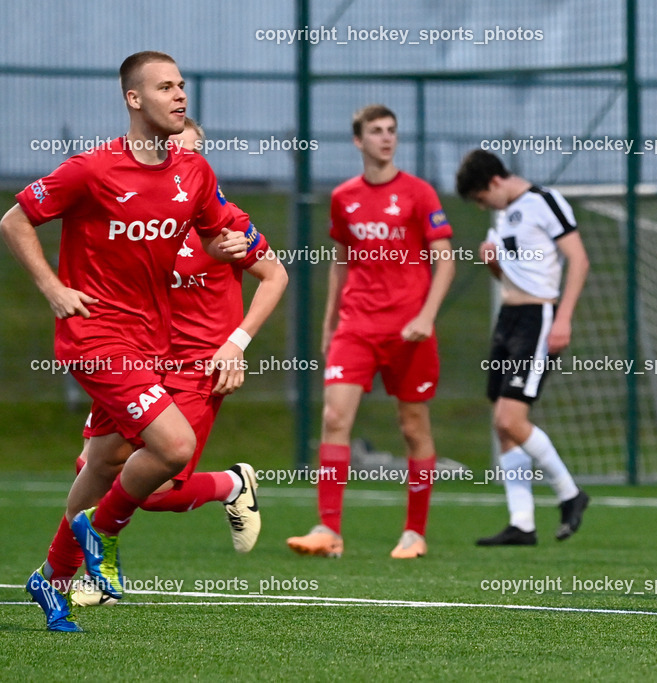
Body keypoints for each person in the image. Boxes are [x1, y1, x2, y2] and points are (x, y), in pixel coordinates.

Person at [1, 51, 250, 632]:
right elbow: (14, 221)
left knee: (104, 461)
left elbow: (212, 238)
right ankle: (102, 529)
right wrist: (54, 288)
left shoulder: (194, 173)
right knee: (174, 447)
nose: (180, 95)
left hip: (152, 341)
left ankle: (53, 577)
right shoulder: (92, 169)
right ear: (133, 99)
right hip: (96, 338)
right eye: (165, 87)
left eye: (182, 85)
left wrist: (227, 250)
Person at [70, 117, 289, 606]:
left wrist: (237, 343)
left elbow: (275, 276)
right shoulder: (136, 218)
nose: (176, 163)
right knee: (91, 464)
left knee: (149, 487)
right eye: (169, 151)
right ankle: (80, 577)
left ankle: (230, 484)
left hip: (197, 368)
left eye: (188, 153)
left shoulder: (227, 221)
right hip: (137, 358)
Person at [287, 104, 455, 560]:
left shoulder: (420, 193)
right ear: (358, 141)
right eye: (376, 131)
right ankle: (328, 530)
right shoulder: (344, 196)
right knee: (334, 419)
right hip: (356, 326)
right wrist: (329, 324)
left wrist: (426, 316)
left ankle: (414, 533)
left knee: (413, 426)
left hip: (409, 331)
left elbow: (446, 259)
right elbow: (340, 264)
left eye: (392, 131)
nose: (386, 138)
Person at [455, 149, 591, 546]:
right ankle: (522, 523)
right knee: (501, 421)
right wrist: (494, 264)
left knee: (511, 419)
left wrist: (563, 317)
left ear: (494, 182)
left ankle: (570, 493)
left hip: (538, 317)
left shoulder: (544, 201)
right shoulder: (503, 213)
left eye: (481, 199)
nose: (483, 207)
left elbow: (578, 260)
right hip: (508, 319)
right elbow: (511, 276)